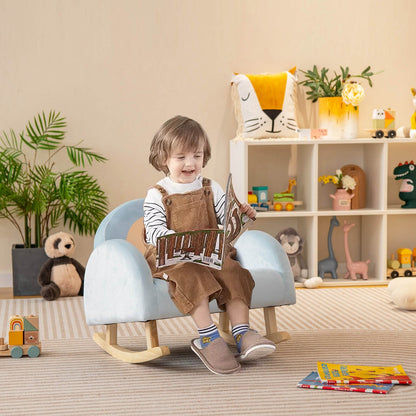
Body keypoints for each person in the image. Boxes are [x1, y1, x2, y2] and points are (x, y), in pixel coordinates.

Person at [143, 115, 275, 375]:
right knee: (193, 275)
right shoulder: (157, 193)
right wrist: (178, 240)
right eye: (181, 157)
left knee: (233, 270)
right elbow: (153, 230)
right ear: (163, 159)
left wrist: (240, 216)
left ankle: (242, 332)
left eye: (197, 155)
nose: (190, 163)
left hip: (208, 253)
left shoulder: (210, 187)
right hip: (174, 259)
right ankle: (208, 337)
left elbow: (225, 218)